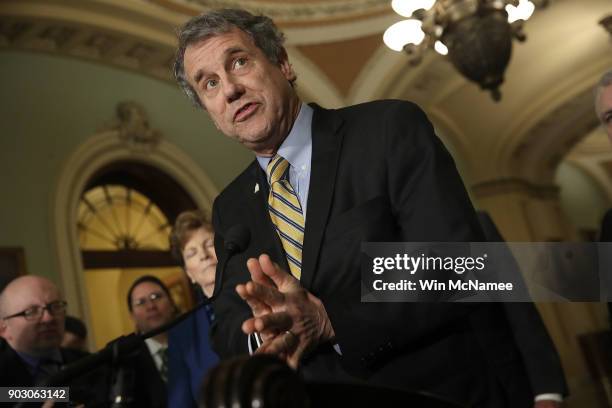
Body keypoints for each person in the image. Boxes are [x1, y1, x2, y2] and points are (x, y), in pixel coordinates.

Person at [173, 9, 566, 407]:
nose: (230, 90)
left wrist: (331, 320)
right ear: (210, 112)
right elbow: (225, 327)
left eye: (239, 62)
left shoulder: (387, 130)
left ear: (283, 63)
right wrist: (270, 328)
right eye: (209, 84)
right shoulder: (230, 208)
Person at [0, 276, 106, 404]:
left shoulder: (93, 366)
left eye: (55, 307)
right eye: (31, 312)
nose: (48, 318)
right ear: (3, 328)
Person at [167, 210, 219, 408]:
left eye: (209, 244)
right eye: (192, 253)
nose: (204, 256)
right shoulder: (181, 332)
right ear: (188, 272)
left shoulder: (257, 297)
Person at [125, 275, 177, 408]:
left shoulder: (197, 339)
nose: (151, 306)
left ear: (171, 303)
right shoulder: (126, 360)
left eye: (156, 297)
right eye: (141, 302)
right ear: (132, 315)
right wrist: (63, 397)